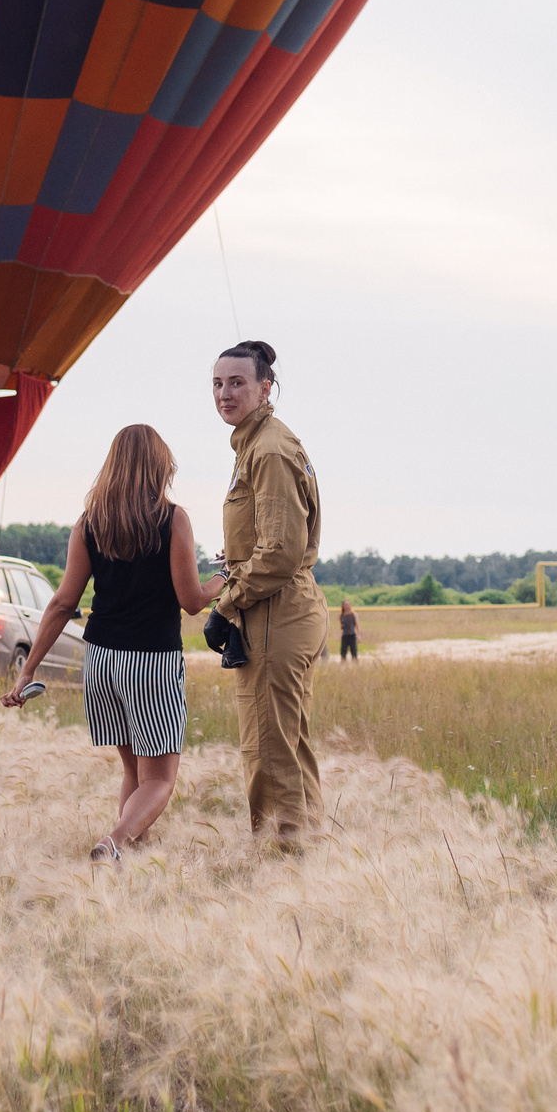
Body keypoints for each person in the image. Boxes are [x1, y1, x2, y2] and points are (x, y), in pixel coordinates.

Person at [4, 425, 213, 862]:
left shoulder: (90, 522)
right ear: (160, 466)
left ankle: (131, 858)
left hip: (99, 660)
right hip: (151, 661)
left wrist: (28, 670)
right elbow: (192, 601)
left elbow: (62, 603)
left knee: (134, 769)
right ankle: (114, 843)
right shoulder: (173, 519)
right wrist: (223, 579)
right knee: (160, 778)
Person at [209, 339, 326, 844]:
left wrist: (227, 602)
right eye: (217, 383)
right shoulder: (256, 444)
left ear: (265, 388)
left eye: (237, 383)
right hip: (278, 608)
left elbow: (280, 552)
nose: (224, 393)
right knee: (288, 743)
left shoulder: (270, 450)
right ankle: (310, 853)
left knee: (269, 748)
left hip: (274, 612)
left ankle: (285, 863)